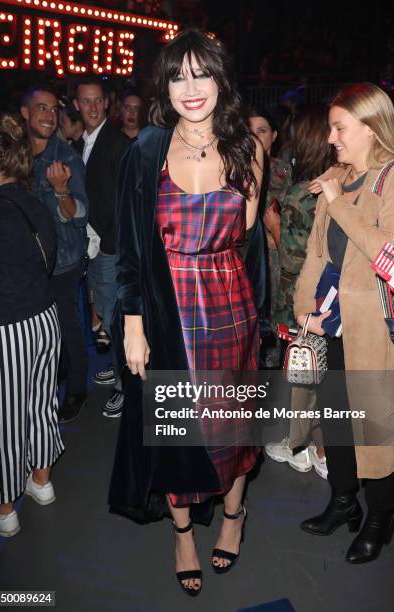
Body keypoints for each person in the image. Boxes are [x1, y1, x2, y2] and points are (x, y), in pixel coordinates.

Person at [109, 29, 265, 595]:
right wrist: (132, 323)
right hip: (167, 310)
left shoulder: (250, 147)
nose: (191, 87)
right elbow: (127, 247)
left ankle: (232, 516)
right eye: (178, 75)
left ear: (222, 80)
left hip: (230, 308)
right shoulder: (145, 150)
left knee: (234, 423)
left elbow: (248, 239)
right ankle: (182, 533)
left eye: (202, 73)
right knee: (175, 428)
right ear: (164, 86)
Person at [294, 83, 394, 564]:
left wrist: (338, 204)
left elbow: (387, 254)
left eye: (340, 127)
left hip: (374, 332)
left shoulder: (389, 180)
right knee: (334, 421)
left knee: (375, 430)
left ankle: (379, 520)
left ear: (372, 129)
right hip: (331, 326)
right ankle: (342, 502)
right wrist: (300, 307)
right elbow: (316, 253)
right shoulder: (334, 177)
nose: (331, 137)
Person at [0, 116, 63, 537]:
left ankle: (3, 510)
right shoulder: (35, 201)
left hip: (5, 327)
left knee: (5, 418)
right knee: (40, 405)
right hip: (44, 317)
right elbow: (49, 259)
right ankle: (41, 482)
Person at [266, 104, 336, 479]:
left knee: (302, 374)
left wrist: (273, 226)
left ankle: (306, 449)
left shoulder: (300, 195)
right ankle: (318, 450)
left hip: (301, 300)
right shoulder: (337, 186)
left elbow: (292, 261)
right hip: (333, 299)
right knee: (319, 373)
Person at [21, 85, 89, 424]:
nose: (48, 115)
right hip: (25, 261)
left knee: (65, 325)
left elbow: (80, 214)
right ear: (25, 114)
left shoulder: (66, 157)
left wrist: (62, 191)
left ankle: (77, 388)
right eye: (41, 108)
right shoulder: (13, 155)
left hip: (63, 259)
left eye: (52, 109)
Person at [74, 76, 131, 418]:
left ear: (106, 103)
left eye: (98, 100)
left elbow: (119, 202)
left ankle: (127, 384)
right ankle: (117, 364)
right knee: (108, 314)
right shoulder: (84, 140)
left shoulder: (115, 142)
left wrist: (103, 245)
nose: (93, 107)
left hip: (109, 247)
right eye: (86, 101)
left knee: (115, 316)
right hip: (97, 246)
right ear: (77, 105)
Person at [248, 107, 291, 367]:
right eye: (249, 131)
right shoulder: (230, 168)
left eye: (261, 131)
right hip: (246, 262)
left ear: (274, 136)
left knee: (275, 332)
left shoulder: (284, 173)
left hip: (277, 265)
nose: (255, 137)